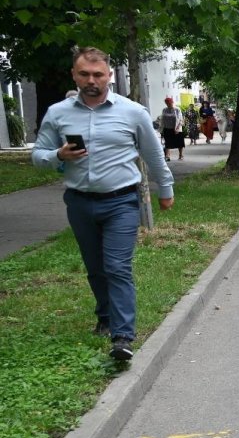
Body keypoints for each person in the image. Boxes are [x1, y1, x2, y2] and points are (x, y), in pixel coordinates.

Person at [32, 47, 175, 361]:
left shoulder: (132, 112)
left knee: (117, 267)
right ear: (74, 75)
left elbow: (153, 155)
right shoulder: (58, 113)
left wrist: (165, 188)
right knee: (95, 268)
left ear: (109, 75)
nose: (91, 80)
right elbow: (37, 156)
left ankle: (123, 336)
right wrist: (58, 155)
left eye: (98, 74)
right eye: (84, 74)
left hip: (121, 201)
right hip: (79, 203)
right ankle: (105, 318)